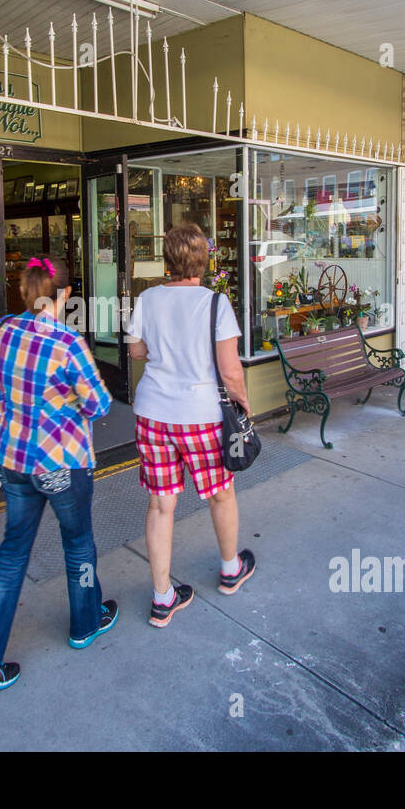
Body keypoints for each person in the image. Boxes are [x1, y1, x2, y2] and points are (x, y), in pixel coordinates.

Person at [0, 253, 115, 692]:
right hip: (62, 463)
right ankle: (85, 623)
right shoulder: (67, 343)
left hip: (14, 460)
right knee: (78, 543)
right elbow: (100, 404)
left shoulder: (0, 331)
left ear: (25, 292)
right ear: (64, 294)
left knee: (12, 551)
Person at [126, 222, 256, 628]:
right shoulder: (215, 303)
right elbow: (230, 370)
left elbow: (135, 351)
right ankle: (231, 569)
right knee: (220, 495)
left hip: (153, 414)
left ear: (168, 259)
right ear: (203, 259)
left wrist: (161, 349)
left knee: (161, 505)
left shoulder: (147, 298)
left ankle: (163, 597)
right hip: (199, 415)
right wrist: (244, 404)